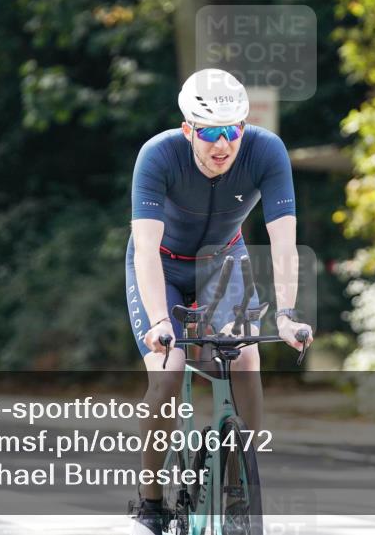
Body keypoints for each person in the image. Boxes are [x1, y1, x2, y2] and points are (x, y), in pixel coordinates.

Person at [126, 69, 313, 535]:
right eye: (210, 132)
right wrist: (159, 321)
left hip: (222, 262)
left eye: (232, 130)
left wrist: (286, 314)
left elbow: (284, 244)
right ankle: (150, 501)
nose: (222, 144)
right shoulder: (158, 154)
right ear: (188, 129)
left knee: (245, 357)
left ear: (244, 127)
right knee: (168, 372)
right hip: (163, 265)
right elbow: (145, 250)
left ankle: (243, 477)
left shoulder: (267, 151)